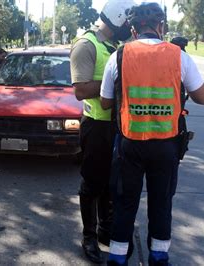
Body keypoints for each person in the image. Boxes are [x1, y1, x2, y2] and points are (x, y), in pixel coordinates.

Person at [100, 3, 204, 265]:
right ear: (161, 27)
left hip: (129, 144)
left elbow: (106, 102)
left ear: (132, 29)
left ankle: (117, 259)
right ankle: (159, 257)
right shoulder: (179, 56)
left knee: (125, 203)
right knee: (161, 204)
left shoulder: (118, 56)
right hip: (165, 147)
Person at [69, 0, 136, 263]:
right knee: (92, 183)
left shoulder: (115, 46)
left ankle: (103, 230)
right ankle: (87, 236)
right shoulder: (87, 45)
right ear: (118, 20)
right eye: (127, 23)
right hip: (96, 126)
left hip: (117, 124)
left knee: (111, 183)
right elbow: (81, 90)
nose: (129, 28)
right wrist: (114, 82)